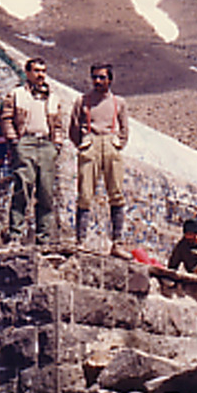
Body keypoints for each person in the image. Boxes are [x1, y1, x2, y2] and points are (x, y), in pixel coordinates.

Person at [69, 62, 130, 258]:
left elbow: (124, 129)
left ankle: (117, 243)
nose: (97, 81)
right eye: (94, 77)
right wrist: (83, 144)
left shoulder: (118, 102)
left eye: (102, 77)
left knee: (116, 194)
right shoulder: (82, 101)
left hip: (111, 145)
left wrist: (117, 144)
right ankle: (80, 240)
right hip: (90, 145)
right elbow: (73, 127)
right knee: (85, 194)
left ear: (110, 80)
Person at [1, 57, 63, 245]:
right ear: (28, 73)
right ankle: (15, 235)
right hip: (25, 143)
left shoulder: (53, 98)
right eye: (36, 70)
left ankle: (43, 238)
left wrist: (56, 144)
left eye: (43, 70)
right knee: (22, 187)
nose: (40, 74)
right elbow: (6, 118)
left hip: (46, 145)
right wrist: (14, 141)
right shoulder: (16, 94)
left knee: (46, 192)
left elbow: (58, 125)